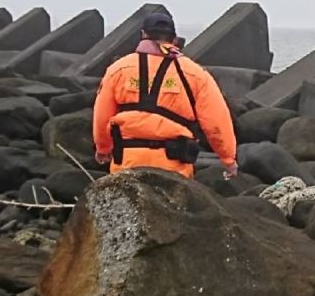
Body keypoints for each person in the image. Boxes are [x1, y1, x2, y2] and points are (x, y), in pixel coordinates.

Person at [93, 12, 237, 180]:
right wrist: (228, 159)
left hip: (127, 161)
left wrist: (103, 149)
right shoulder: (195, 73)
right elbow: (216, 122)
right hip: (174, 167)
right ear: (174, 39)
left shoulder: (118, 69)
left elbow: (102, 115)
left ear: (143, 35)